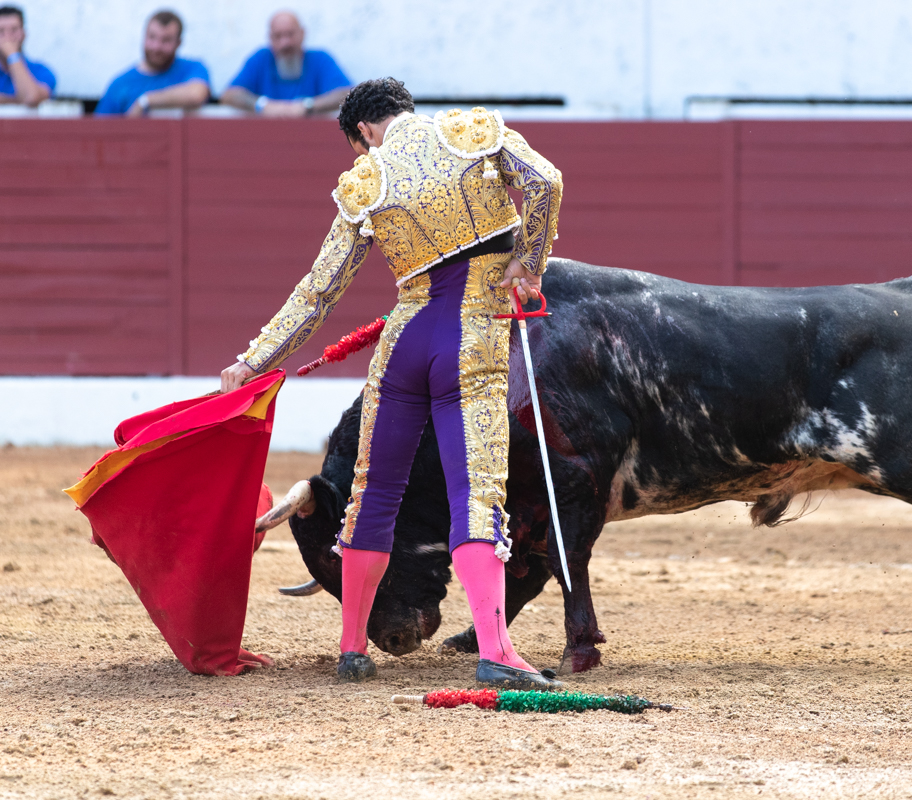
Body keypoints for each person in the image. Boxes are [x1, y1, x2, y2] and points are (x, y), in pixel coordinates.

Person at [219, 78, 564, 688]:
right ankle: (495, 649)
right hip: (471, 334)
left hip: (403, 344)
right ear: (403, 113)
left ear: (363, 134)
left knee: (371, 494)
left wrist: (253, 359)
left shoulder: (366, 180)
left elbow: (318, 290)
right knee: (476, 493)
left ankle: (352, 648)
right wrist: (528, 263)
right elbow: (546, 182)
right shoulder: (469, 134)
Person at [220, 11, 351, 117]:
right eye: (278, 36)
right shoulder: (260, 59)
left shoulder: (320, 59)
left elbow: (347, 94)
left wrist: (308, 106)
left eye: (290, 34)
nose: (285, 43)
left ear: (302, 34)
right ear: (270, 38)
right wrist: (263, 105)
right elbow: (230, 95)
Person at [95, 10, 209, 116]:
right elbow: (98, 132)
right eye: (152, 37)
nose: (156, 47)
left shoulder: (192, 69)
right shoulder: (120, 85)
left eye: (166, 40)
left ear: (178, 43)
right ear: (144, 36)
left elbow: (196, 94)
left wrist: (145, 101)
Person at [0, 5, 54, 107]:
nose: (7, 37)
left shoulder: (42, 71)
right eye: (1, 31)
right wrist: (19, 100)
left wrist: (12, 55)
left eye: (14, 30)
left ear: (23, 34)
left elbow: (31, 98)